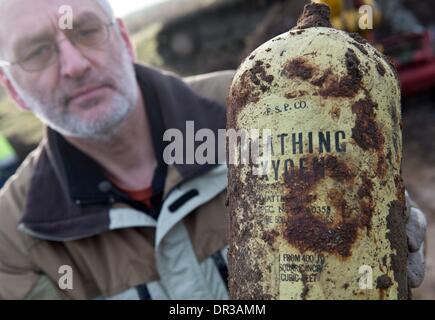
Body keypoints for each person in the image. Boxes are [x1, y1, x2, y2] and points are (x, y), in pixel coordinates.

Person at [0, 0, 427, 299]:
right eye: (37, 52)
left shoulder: (260, 103)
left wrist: (374, 238)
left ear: (124, 39)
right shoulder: (11, 235)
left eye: (87, 31)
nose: (74, 65)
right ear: (12, 90)